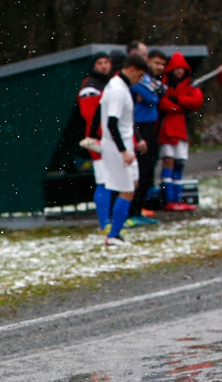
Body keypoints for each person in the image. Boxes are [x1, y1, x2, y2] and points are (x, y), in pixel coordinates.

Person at [99, 53, 151, 246]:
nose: (140, 80)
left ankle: (116, 230)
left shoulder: (120, 86)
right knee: (126, 189)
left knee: (133, 184)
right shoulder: (117, 91)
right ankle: (113, 235)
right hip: (117, 147)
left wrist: (135, 140)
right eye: (139, 75)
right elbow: (112, 123)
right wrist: (123, 150)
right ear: (131, 70)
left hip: (125, 143)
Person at [158, 51, 203, 212]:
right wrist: (180, 106)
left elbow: (196, 101)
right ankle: (168, 199)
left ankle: (176, 199)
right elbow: (163, 104)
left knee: (179, 164)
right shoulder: (164, 85)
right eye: (176, 68)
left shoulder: (189, 84)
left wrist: (179, 100)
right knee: (168, 162)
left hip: (181, 129)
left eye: (181, 68)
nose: (179, 72)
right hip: (167, 128)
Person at [129, 49, 167, 224]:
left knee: (149, 170)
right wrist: (154, 94)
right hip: (139, 126)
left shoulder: (151, 79)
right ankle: (131, 211)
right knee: (141, 170)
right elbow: (152, 97)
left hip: (151, 126)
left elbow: (159, 93)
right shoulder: (137, 79)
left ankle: (139, 209)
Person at [78, 52, 112, 231]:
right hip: (98, 140)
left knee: (111, 180)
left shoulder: (107, 84)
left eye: (106, 62)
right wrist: (102, 137)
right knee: (103, 180)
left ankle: (110, 219)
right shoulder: (90, 87)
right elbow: (91, 116)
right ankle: (104, 222)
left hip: (110, 138)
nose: (104, 66)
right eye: (100, 62)